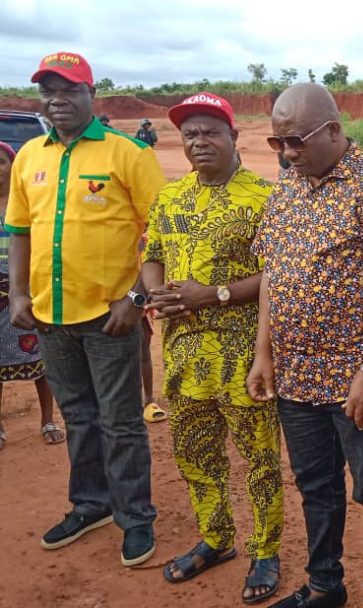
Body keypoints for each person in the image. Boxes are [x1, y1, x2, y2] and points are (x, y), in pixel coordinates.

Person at [247, 83, 363, 608]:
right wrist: (263, 353)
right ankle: (325, 585)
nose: (289, 154)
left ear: (335, 130)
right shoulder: (286, 191)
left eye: (295, 141)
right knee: (315, 485)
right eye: (278, 144)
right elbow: (274, 273)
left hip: (355, 379)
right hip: (296, 376)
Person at [6, 51, 164, 566]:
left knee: (120, 422)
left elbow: (159, 234)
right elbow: (20, 232)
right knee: (78, 417)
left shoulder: (129, 153)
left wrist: (138, 299)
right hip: (50, 315)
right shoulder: (30, 156)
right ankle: (91, 504)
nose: (58, 99)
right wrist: (18, 295)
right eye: (48, 90)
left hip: (109, 316)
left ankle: (135, 517)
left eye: (69, 89)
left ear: (90, 95)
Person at [143, 93, 284, 603]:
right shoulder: (170, 198)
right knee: (196, 456)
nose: (199, 141)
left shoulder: (265, 197)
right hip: (182, 358)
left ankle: (265, 550)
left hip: (243, 356)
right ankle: (216, 538)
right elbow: (153, 252)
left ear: (232, 137)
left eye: (210, 132)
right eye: (190, 134)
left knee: (259, 459)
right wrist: (156, 292)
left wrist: (214, 294)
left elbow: (277, 274)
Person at [0, 140, 65, 451]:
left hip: (28, 291)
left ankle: (48, 419)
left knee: (41, 359)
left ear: (13, 167)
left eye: (1, 162)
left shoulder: (30, 201)